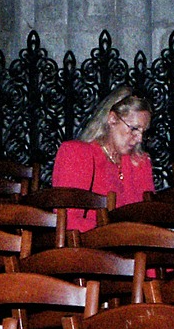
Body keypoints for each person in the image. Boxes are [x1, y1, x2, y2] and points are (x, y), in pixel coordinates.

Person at [51, 88, 154, 232]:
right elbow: (68, 221)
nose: (139, 139)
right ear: (112, 119)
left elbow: (148, 219)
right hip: (89, 249)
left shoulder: (140, 163)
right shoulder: (77, 153)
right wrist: (117, 233)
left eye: (143, 132)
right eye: (134, 129)